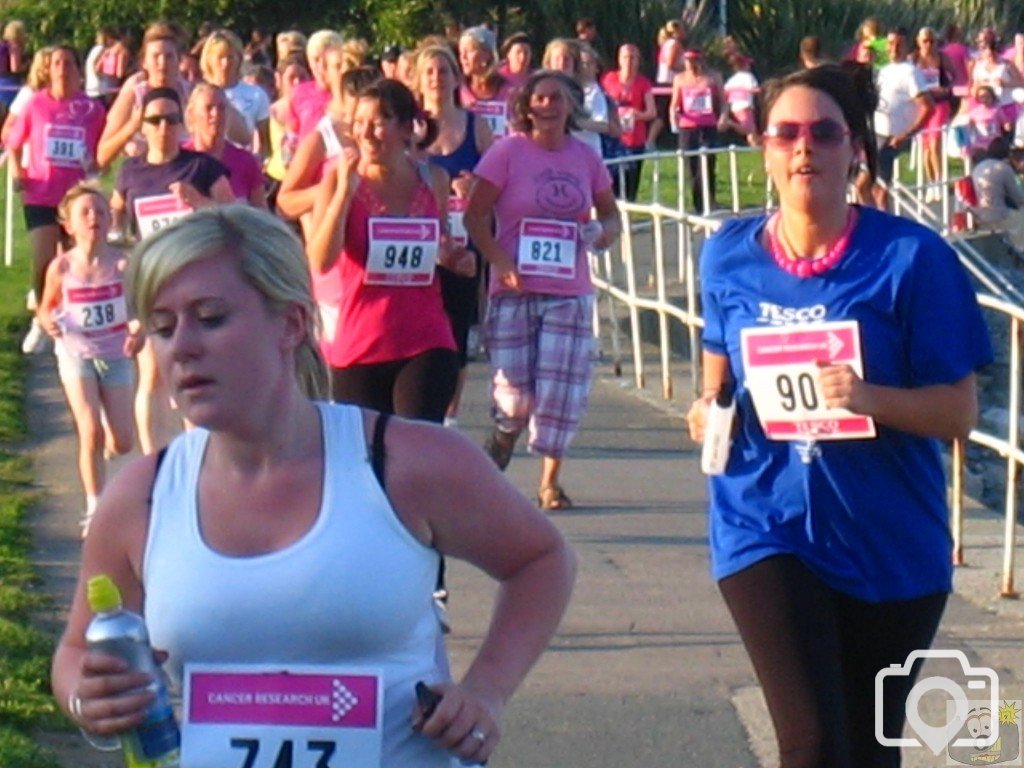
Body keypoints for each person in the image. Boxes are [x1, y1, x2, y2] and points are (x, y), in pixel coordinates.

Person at [51, 203, 577, 768]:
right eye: (162, 327)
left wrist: (486, 691)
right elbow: (77, 649)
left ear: (291, 323)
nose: (183, 346)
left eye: (211, 317)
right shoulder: (143, 497)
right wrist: (87, 696)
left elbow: (542, 559)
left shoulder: (404, 463)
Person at [686, 63, 992, 767]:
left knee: (869, 749)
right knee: (813, 744)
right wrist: (705, 413)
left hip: (890, 540)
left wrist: (868, 398)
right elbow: (716, 384)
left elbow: (959, 412)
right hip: (764, 523)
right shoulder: (727, 256)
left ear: (854, 148)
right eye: (786, 133)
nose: (805, 148)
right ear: (763, 149)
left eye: (824, 133)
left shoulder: (911, 258)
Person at [464, 70, 621, 509]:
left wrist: (603, 232)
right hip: (515, 287)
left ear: (571, 106)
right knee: (515, 399)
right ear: (526, 106)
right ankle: (504, 433)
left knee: (559, 389)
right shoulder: (506, 152)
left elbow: (611, 215)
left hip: (569, 289)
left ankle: (550, 482)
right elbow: (475, 216)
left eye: (556, 98)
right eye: (539, 98)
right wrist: (500, 261)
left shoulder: (586, 157)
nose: (547, 106)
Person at [308, 79, 473, 421]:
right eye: (359, 123)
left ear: (406, 128)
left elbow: (436, 245)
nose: (366, 133)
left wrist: (455, 258)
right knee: (370, 449)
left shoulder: (433, 179)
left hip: (426, 338)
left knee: (416, 439)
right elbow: (321, 260)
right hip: (361, 341)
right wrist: (344, 195)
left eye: (378, 122)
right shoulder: (336, 179)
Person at [110, 86, 233, 455]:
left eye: (171, 119)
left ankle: (197, 453)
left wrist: (200, 202)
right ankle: (154, 463)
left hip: (198, 281)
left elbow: (237, 219)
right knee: (151, 373)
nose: (163, 127)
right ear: (143, 126)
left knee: (194, 367)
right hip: (152, 281)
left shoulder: (202, 167)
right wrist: (116, 247)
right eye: (155, 120)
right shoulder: (131, 172)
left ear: (182, 124)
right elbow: (116, 219)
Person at [36, 185, 140, 535]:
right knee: (89, 429)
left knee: (122, 442)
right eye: (85, 212)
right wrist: (47, 322)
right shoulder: (62, 267)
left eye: (100, 211)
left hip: (115, 355)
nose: (94, 217)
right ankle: (95, 507)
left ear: (110, 220)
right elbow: (46, 307)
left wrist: (138, 332)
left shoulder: (123, 265)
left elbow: (139, 310)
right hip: (75, 353)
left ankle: (107, 438)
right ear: (69, 225)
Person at [5, 45, 106, 355]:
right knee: (43, 260)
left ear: (78, 70)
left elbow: (104, 148)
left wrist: (96, 166)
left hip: (76, 199)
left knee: (77, 263)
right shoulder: (35, 104)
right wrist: (17, 171)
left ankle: (77, 325)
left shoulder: (92, 109)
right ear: (48, 70)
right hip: (41, 193)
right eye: (56, 63)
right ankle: (42, 317)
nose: (62, 69)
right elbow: (13, 141)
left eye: (68, 63)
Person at [416, 44, 494, 426]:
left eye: (443, 70)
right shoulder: (411, 127)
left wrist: (474, 185)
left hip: (465, 237)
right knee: (426, 320)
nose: (437, 78)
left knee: (458, 323)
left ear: (456, 77)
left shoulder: (476, 125)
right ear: (418, 80)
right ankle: (424, 404)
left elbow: (497, 179)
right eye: (429, 72)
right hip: (422, 238)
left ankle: (451, 413)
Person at [97, 21, 191, 167]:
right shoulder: (134, 90)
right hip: (143, 175)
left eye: (169, 56)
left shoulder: (190, 94)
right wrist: (132, 127)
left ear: (179, 61)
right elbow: (102, 156)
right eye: (156, 56)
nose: (162, 63)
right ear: (144, 62)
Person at [872, 28, 933, 210]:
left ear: (906, 46)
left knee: (880, 189)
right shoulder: (883, 71)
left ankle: (884, 223)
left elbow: (927, 107)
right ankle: (870, 220)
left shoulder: (911, 72)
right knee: (863, 184)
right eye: (891, 44)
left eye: (899, 45)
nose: (894, 49)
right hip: (876, 132)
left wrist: (907, 134)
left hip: (893, 137)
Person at [184, 82, 266, 207]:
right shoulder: (181, 161)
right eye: (208, 108)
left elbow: (261, 213)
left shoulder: (245, 161)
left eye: (221, 108)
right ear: (192, 115)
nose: (216, 114)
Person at [669, 49, 724, 211]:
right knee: (692, 165)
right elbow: (674, 103)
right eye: (687, 61)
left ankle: (710, 200)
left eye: (694, 60)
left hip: (708, 125)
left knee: (708, 163)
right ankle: (698, 204)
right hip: (688, 126)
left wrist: (723, 117)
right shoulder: (680, 79)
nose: (691, 65)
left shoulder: (713, 77)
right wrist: (674, 117)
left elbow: (723, 102)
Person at [199, 29, 270, 152]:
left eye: (230, 57)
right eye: (220, 58)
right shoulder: (198, 95)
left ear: (239, 59)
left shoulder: (256, 94)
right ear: (209, 60)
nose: (225, 63)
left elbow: (266, 143)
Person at [601, 43, 656, 200]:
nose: (629, 62)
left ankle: (629, 210)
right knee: (611, 183)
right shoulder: (608, 79)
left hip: (635, 139)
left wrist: (637, 114)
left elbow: (652, 113)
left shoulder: (643, 83)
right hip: (613, 139)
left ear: (638, 61)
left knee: (631, 183)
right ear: (619, 60)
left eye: (633, 58)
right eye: (625, 57)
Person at [910, 27, 953, 202]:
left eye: (932, 41)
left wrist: (947, 88)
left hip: (939, 105)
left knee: (935, 144)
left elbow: (955, 77)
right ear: (918, 42)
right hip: (921, 106)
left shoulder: (942, 58)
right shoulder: (913, 59)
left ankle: (940, 182)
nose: (928, 44)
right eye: (925, 41)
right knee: (926, 148)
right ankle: (931, 183)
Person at [458, 26, 515, 139]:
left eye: (469, 51)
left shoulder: (512, 92)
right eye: (461, 52)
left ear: (487, 54)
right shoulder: (457, 92)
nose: (463, 57)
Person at [970, 135, 1024, 250]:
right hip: (999, 215)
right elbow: (1019, 199)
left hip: (980, 213)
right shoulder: (1004, 168)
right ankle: (1021, 248)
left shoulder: (978, 167)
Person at [649, 19, 686, 149]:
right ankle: (650, 141)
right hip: (669, 83)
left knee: (663, 114)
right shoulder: (674, 44)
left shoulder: (666, 44)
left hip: (663, 81)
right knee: (666, 113)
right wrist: (686, 69)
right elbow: (671, 64)